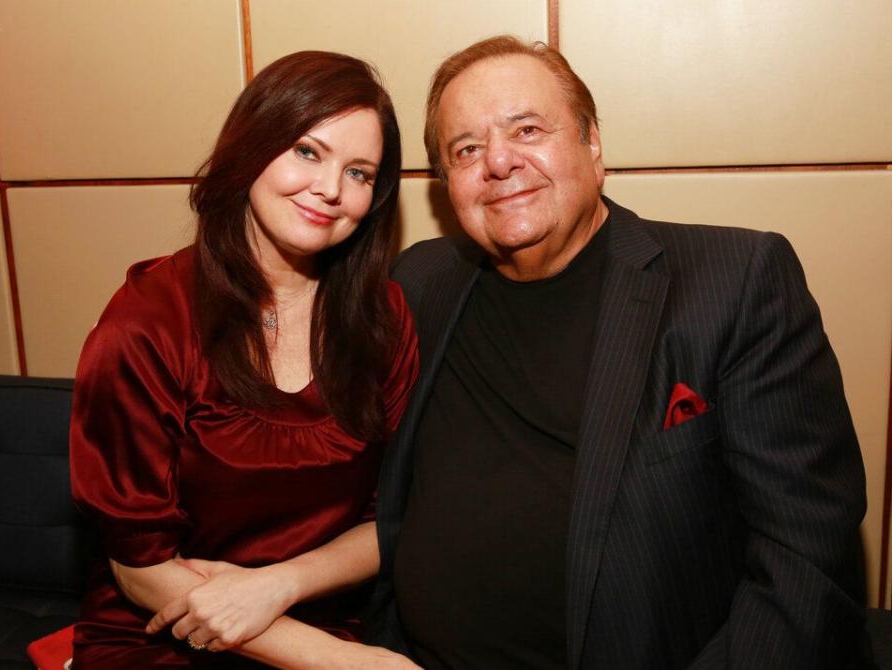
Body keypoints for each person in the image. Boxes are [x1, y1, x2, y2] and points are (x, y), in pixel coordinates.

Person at [370, 36, 869, 669]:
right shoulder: (422, 281)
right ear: (447, 184)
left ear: (592, 143)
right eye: (466, 149)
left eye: (526, 129)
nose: (498, 161)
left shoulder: (734, 281)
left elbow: (805, 560)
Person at [69, 51, 419, 669]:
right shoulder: (148, 322)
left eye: (360, 172)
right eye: (308, 151)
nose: (331, 189)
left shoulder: (383, 318)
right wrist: (352, 665)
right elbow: (140, 566)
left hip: (318, 617)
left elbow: (393, 518)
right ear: (252, 145)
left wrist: (276, 586)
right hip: (163, 635)